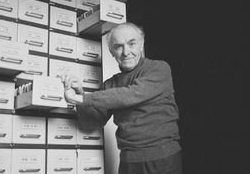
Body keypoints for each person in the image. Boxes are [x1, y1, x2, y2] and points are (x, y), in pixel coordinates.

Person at [63, 22, 182, 174]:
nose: (126, 52)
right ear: (111, 52)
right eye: (118, 46)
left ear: (141, 44)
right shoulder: (110, 84)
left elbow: (130, 95)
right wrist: (79, 93)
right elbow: (92, 122)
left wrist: (81, 99)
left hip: (163, 159)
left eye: (131, 43)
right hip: (128, 162)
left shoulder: (159, 69)